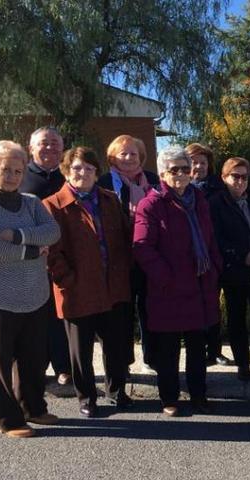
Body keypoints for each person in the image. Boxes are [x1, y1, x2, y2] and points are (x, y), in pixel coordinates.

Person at [0, 140, 61, 437]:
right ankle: (9, 420)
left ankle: (33, 408)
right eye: (5, 169)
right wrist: (32, 250)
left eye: (18, 170)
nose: (13, 176)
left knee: (33, 355)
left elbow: (52, 232)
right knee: (0, 359)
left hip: (32, 291)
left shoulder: (31, 202)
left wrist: (15, 235)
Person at [43, 147, 134, 417]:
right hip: (77, 289)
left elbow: (123, 238)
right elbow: (52, 252)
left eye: (90, 169)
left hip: (113, 286)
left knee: (115, 345)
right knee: (81, 351)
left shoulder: (109, 199)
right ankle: (87, 397)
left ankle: (117, 391)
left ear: (97, 173)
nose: (83, 173)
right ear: (67, 171)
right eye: (77, 168)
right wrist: (68, 279)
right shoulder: (52, 205)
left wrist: (124, 271)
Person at [133, 146, 222, 417]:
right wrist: (166, 278)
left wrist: (215, 269)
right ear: (162, 173)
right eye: (175, 170)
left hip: (199, 284)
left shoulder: (198, 198)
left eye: (186, 168)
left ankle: (199, 395)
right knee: (168, 349)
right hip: (168, 289)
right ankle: (169, 398)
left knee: (198, 347)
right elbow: (142, 247)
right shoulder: (151, 203)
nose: (182, 174)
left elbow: (209, 238)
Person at [98, 135, 160, 370]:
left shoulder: (153, 181)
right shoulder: (103, 182)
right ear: (112, 157)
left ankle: (151, 357)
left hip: (148, 255)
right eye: (123, 153)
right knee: (120, 313)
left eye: (133, 153)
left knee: (149, 308)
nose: (128, 158)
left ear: (141, 157)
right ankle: (122, 361)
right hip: (117, 257)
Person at [209, 157, 250, 381]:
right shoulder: (216, 203)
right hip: (234, 270)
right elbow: (216, 238)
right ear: (224, 177)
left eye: (245, 177)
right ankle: (243, 364)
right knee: (237, 320)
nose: (240, 181)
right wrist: (241, 256)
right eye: (235, 176)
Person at [18, 126, 70, 386]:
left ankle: (64, 367)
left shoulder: (70, 175)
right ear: (31, 148)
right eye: (43, 143)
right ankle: (36, 367)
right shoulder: (19, 177)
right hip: (29, 258)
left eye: (55, 143)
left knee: (61, 313)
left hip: (65, 258)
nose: (50, 148)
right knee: (34, 316)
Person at [186, 142, 229, 366]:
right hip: (189, 256)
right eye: (194, 163)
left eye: (203, 163)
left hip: (213, 254)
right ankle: (196, 348)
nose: (198, 167)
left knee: (212, 304)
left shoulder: (218, 189)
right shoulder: (181, 190)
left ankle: (214, 349)